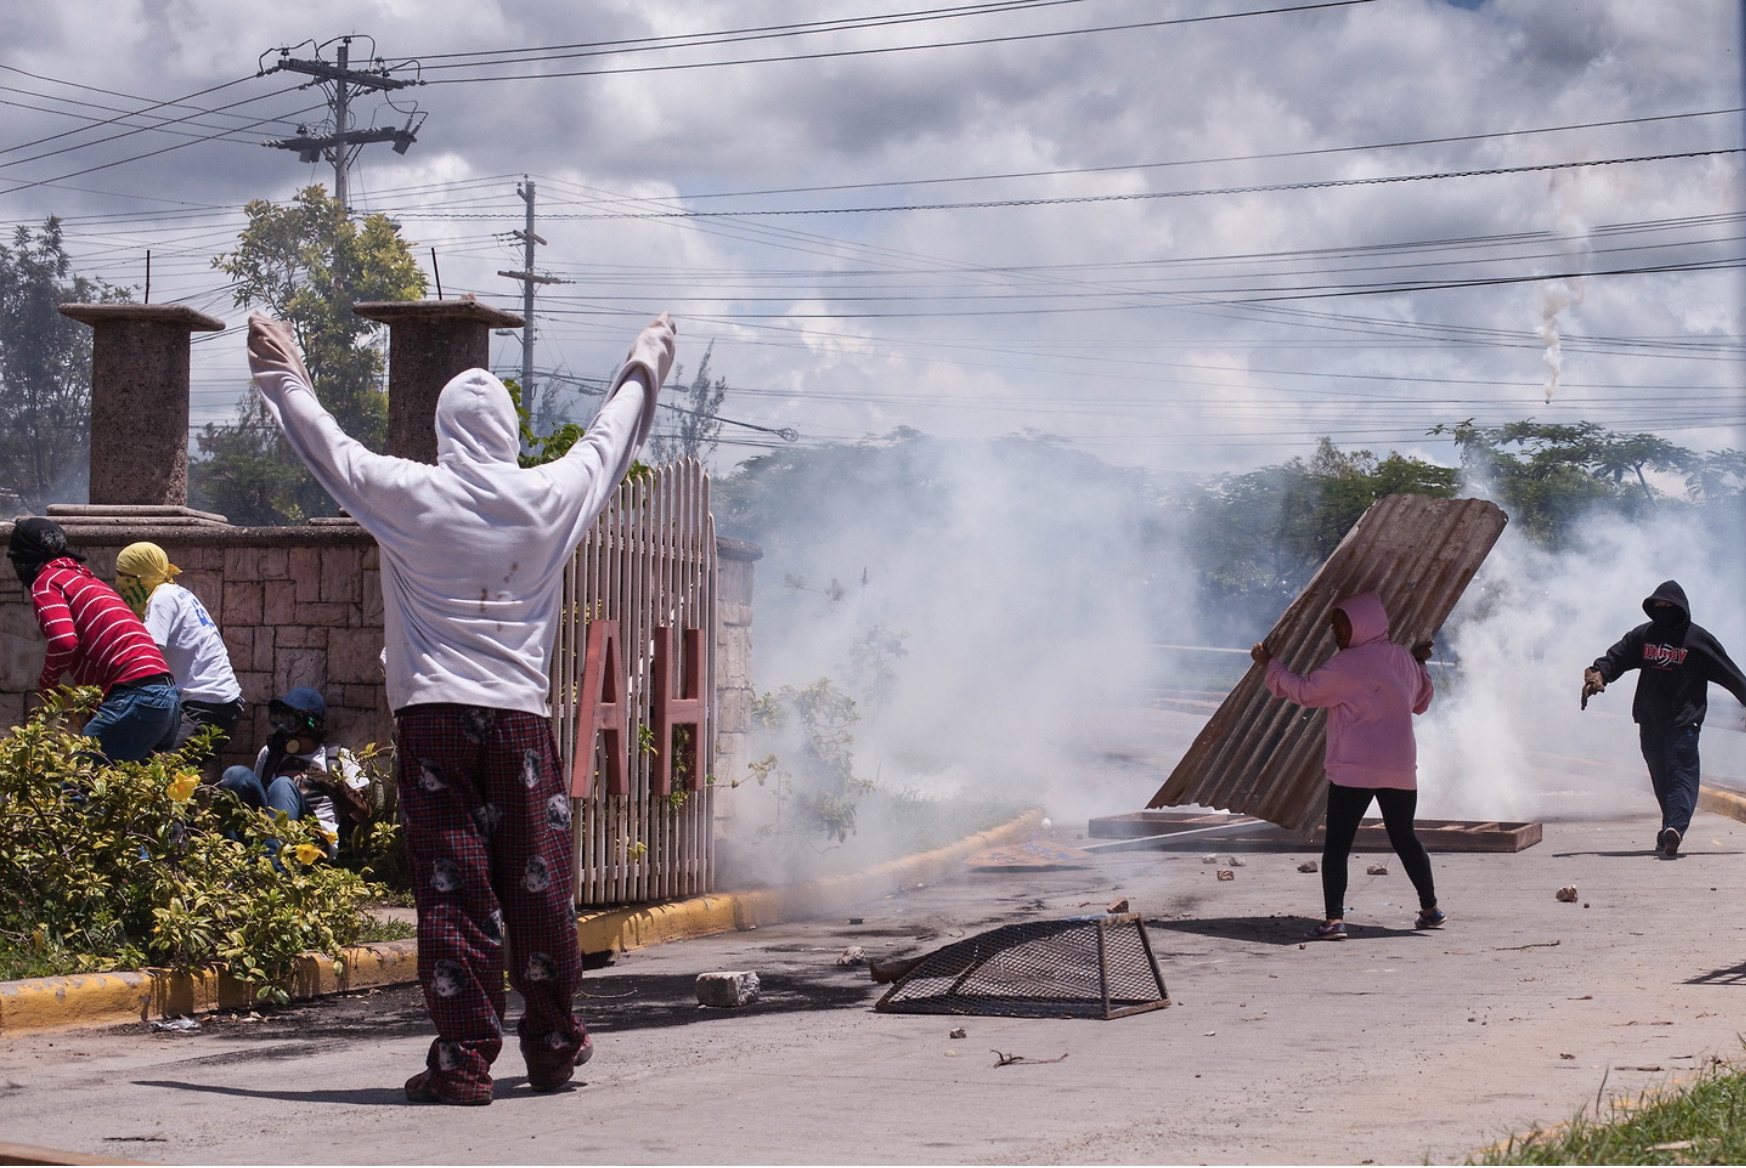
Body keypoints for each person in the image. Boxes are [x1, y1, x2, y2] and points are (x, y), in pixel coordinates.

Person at [247, 309, 675, 1106]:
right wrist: (646, 359)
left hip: (433, 721)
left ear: (442, 431)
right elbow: (611, 440)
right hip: (519, 720)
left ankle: (465, 1060)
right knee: (539, 886)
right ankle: (551, 1044)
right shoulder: (547, 497)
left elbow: (325, 446)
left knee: (457, 888)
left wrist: (282, 371)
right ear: (512, 430)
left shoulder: (409, 494)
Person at [1251, 592, 1442, 941]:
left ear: (1361, 628)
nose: (1337, 636)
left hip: (1354, 769)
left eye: (1342, 628)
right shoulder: (1401, 658)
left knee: (1338, 845)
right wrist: (1421, 664)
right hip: (1399, 768)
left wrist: (1270, 664)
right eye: (1336, 628)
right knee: (1404, 837)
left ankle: (1335, 921)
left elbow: (1303, 691)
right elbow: (1420, 702)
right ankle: (1430, 909)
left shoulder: (1345, 665)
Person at [1581, 580, 1746, 859]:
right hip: (1650, 721)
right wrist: (1599, 674)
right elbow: (1618, 656)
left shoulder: (1697, 640)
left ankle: (1675, 827)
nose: (1662, 610)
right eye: (1657, 606)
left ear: (1681, 608)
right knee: (1662, 778)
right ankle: (1670, 827)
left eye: (1668, 606)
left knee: (1682, 774)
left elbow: (1731, 674)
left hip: (1683, 722)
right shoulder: (1645, 635)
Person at [8, 518, 181, 762]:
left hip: (135, 696)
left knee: (74, 784)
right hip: (167, 700)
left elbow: (64, 641)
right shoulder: (90, 582)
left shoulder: (46, 582)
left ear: (26, 561)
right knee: (121, 794)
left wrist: (47, 684)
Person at [114, 541, 244, 750]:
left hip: (205, 706)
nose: (118, 582)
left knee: (163, 776)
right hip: (215, 702)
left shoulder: (161, 599)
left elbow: (145, 652)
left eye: (123, 576)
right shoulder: (176, 592)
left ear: (140, 576)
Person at [219, 686, 371, 857]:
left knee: (283, 785)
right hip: (270, 830)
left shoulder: (340, 757)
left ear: (312, 725)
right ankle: (233, 859)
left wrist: (339, 789)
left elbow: (364, 814)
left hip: (314, 844)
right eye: (278, 720)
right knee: (235, 775)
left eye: (290, 722)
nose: (282, 728)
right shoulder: (270, 755)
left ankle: (274, 870)